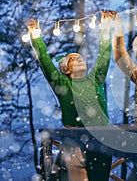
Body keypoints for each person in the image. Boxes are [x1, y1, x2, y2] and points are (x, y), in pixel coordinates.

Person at [28, 11, 113, 181]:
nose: (79, 58)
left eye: (80, 57)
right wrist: (35, 35)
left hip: (102, 138)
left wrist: (106, 27)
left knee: (99, 177)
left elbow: (104, 56)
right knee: (77, 178)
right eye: (73, 58)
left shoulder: (96, 79)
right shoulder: (62, 84)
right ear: (66, 68)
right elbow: (45, 61)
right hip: (75, 139)